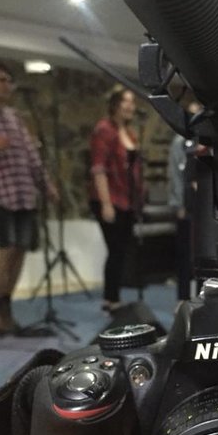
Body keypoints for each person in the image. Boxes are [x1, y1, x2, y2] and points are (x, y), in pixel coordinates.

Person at [0, 60, 58, 336]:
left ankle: (6, 309)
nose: (8, 85)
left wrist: (46, 185)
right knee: (7, 248)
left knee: (20, 250)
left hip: (25, 193)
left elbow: (31, 156)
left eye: (9, 80)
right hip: (0, 194)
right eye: (1, 80)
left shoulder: (15, 118)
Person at [89, 86, 143, 312]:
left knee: (122, 250)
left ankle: (115, 297)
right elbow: (99, 168)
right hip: (110, 198)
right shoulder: (104, 130)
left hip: (128, 200)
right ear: (115, 104)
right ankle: (110, 298)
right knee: (115, 249)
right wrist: (106, 204)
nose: (130, 106)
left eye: (132, 101)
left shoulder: (130, 133)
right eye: (125, 101)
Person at [167, 101, 202, 301]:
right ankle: (182, 299)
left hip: (204, 209)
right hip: (186, 207)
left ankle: (202, 297)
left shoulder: (207, 141)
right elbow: (175, 174)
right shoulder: (179, 142)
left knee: (202, 255)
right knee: (184, 256)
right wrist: (178, 203)